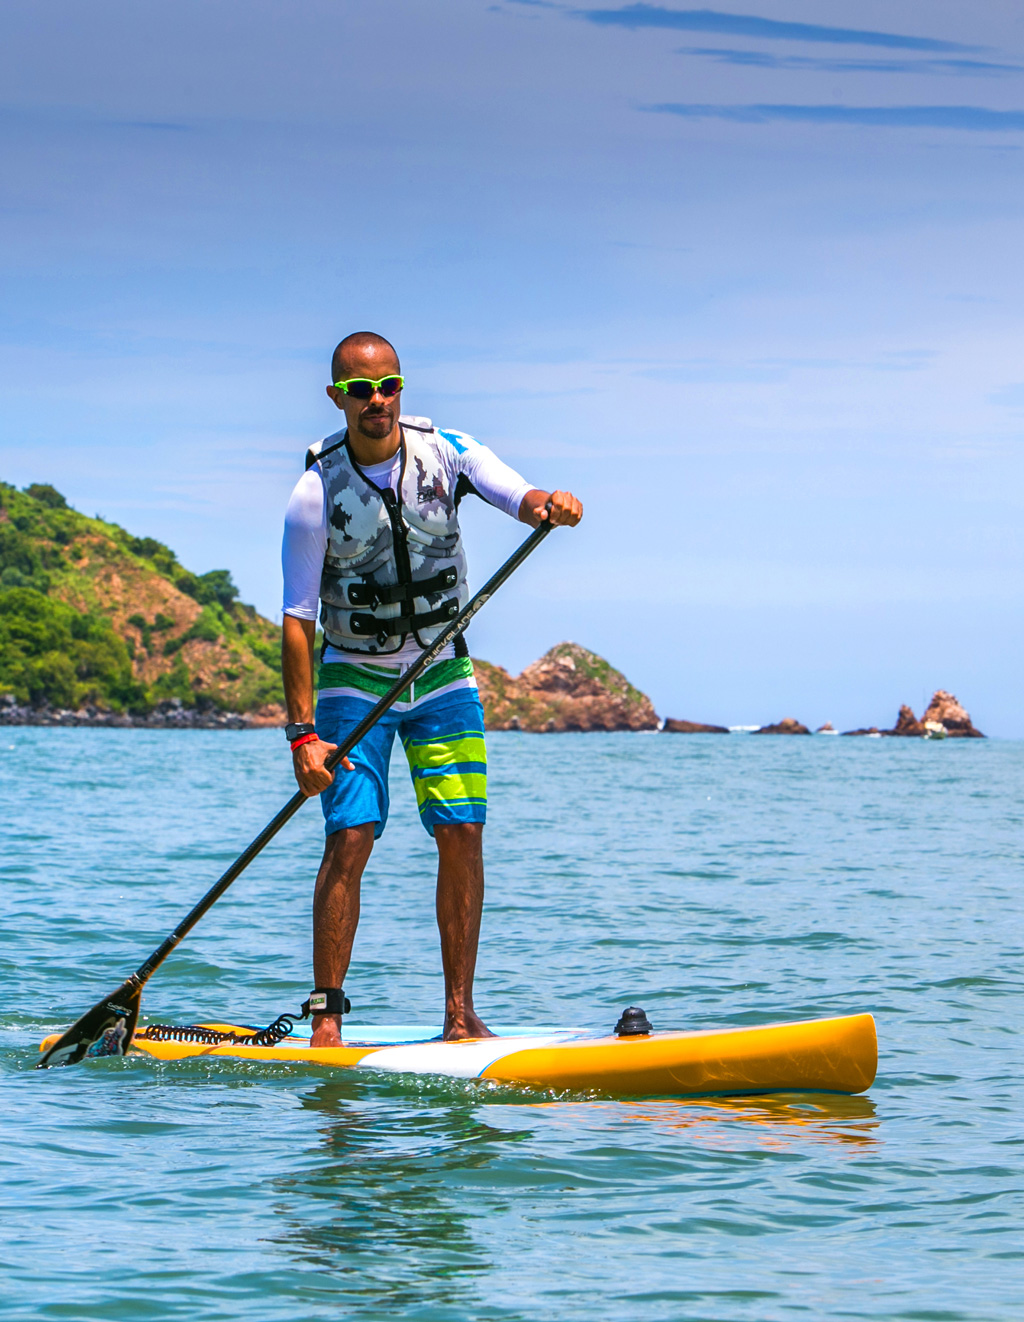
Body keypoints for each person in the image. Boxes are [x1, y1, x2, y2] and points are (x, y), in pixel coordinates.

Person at [281, 331, 583, 1045]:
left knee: (463, 832)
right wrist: (302, 735)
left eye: (388, 386)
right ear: (337, 398)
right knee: (350, 837)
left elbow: (519, 493)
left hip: (442, 673)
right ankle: (327, 1019)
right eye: (360, 390)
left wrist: (549, 503)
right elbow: (297, 621)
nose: (377, 400)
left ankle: (459, 1013)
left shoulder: (447, 451)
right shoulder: (314, 490)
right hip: (354, 681)